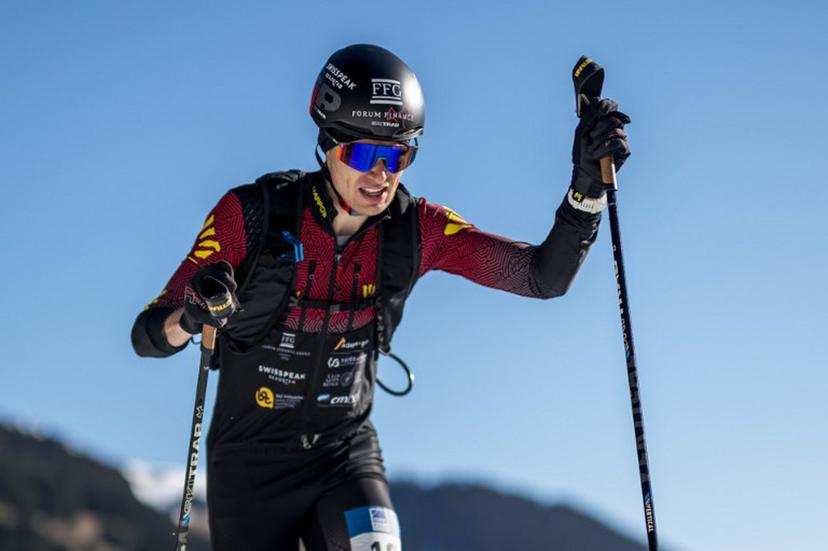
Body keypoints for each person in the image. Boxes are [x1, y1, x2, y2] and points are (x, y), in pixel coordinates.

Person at [131, 43, 630, 551]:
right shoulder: (250, 216)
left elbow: (540, 277)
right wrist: (191, 317)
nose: (382, 175)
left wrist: (586, 188)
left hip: (343, 455)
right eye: (366, 154)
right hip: (249, 466)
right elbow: (147, 335)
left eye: (399, 154)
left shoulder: (418, 230)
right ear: (327, 145)